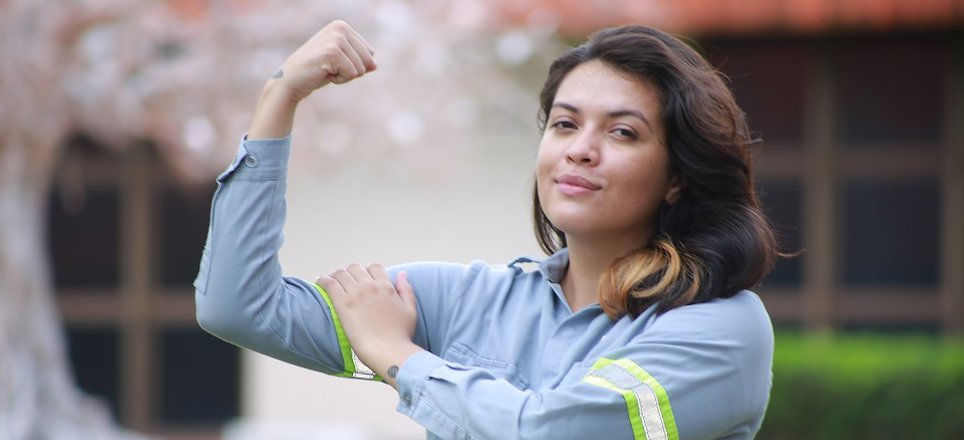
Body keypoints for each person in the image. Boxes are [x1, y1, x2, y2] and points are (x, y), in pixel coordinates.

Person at [195, 19, 778, 440]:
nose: (580, 150)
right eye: (565, 124)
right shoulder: (469, 301)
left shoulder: (721, 329)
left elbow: (553, 433)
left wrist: (396, 355)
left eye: (622, 132)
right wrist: (279, 99)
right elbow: (240, 308)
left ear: (677, 175)